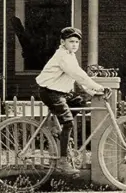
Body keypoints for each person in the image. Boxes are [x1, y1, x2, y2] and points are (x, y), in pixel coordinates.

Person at [36, 26, 106, 175]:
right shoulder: (62, 56)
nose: (74, 44)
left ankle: (59, 131)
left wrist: (90, 91)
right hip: (50, 92)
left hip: (60, 92)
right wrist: (98, 87)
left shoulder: (70, 55)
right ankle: (62, 161)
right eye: (71, 41)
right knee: (69, 123)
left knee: (80, 100)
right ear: (63, 42)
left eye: (77, 42)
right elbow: (79, 75)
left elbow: (76, 76)